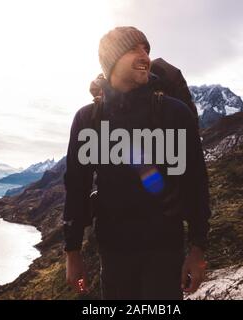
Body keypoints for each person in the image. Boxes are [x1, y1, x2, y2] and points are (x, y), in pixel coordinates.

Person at [63, 26, 211, 300]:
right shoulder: (88, 120)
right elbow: (77, 186)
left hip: (165, 251)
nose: (145, 56)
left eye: (147, 49)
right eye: (134, 49)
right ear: (111, 60)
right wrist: (72, 253)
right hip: (113, 252)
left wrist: (197, 250)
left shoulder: (173, 113)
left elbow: (196, 184)